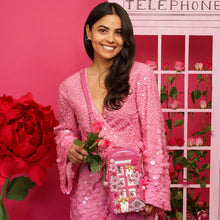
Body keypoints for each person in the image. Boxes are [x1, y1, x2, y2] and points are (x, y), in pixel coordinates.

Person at [55, 2, 171, 220]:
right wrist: (69, 146)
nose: (110, 39)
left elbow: (155, 136)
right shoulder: (69, 88)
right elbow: (65, 130)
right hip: (89, 193)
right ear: (89, 32)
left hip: (132, 186)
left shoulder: (140, 76)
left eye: (118, 33)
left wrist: (154, 194)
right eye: (103, 30)